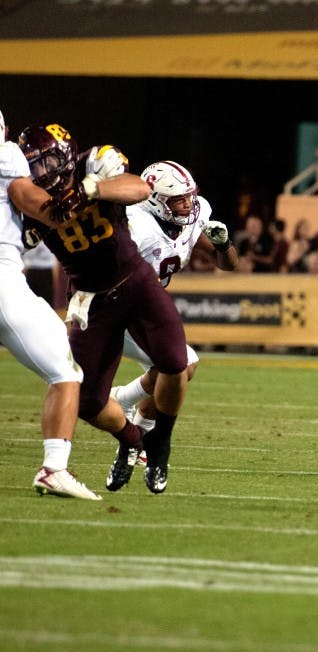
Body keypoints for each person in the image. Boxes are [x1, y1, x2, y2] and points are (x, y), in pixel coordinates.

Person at [12, 123, 189, 495]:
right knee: (87, 399)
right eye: (34, 165)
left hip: (135, 281)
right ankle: (131, 438)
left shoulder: (92, 163)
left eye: (45, 163)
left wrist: (90, 188)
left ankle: (160, 444)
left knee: (176, 361)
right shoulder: (26, 197)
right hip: (89, 299)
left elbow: (140, 187)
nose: (40, 173)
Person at [108, 161, 237, 481]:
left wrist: (223, 244)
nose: (188, 205)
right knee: (181, 365)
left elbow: (229, 264)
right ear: (154, 201)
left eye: (190, 196)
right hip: (116, 308)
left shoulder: (196, 211)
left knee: (175, 371)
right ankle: (123, 407)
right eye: (179, 200)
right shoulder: (137, 226)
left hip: (147, 308)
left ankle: (134, 435)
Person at [0, 110, 98, 500]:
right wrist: (87, 191)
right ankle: (54, 468)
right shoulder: (6, 155)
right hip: (3, 282)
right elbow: (43, 208)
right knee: (65, 371)